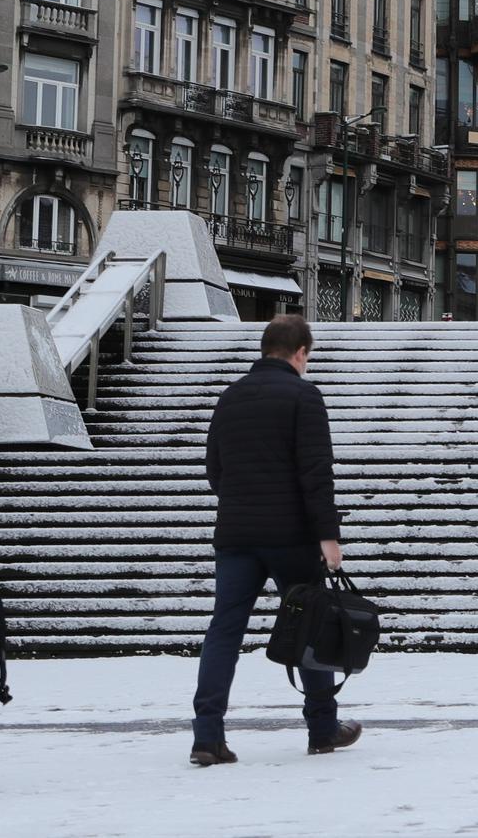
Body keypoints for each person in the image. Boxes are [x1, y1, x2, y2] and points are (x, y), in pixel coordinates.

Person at [190, 314, 359, 765]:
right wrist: (329, 537)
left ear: (266, 349)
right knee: (311, 626)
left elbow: (215, 471)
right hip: (291, 537)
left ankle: (207, 736)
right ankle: (323, 729)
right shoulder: (304, 396)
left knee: (223, 631)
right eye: (309, 356)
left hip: (236, 534)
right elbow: (316, 474)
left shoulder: (230, 397)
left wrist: (244, 502)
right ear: (300, 352)